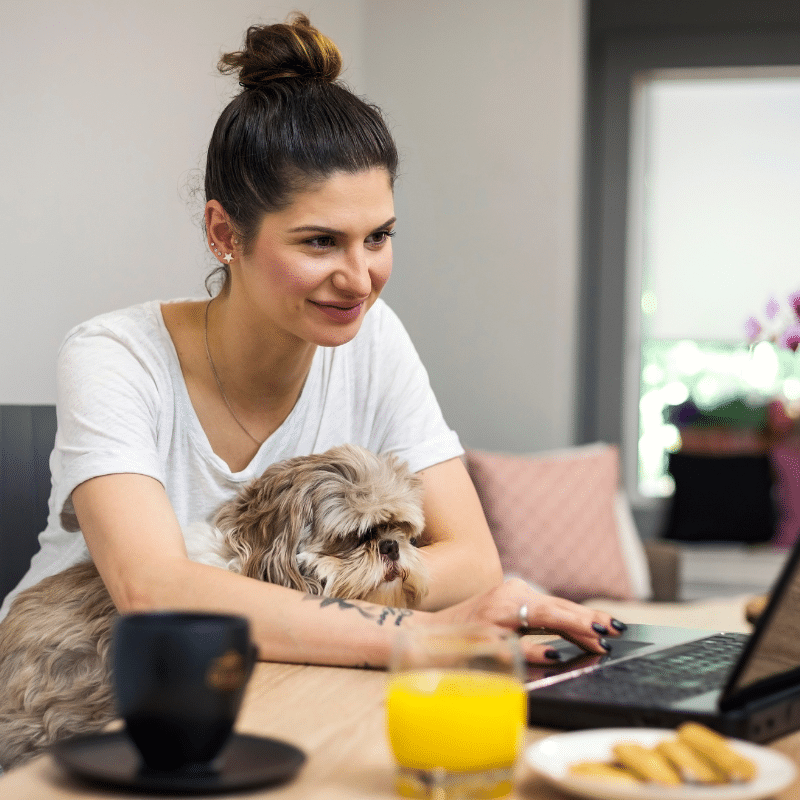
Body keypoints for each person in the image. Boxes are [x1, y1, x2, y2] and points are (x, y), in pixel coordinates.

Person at [0, 13, 623, 665]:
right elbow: (155, 592)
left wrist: (342, 588)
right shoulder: (115, 358)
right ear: (223, 233)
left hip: (267, 679)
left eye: (378, 237)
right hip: (69, 687)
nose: (359, 280)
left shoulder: (373, 340)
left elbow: (474, 561)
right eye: (320, 241)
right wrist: (418, 626)